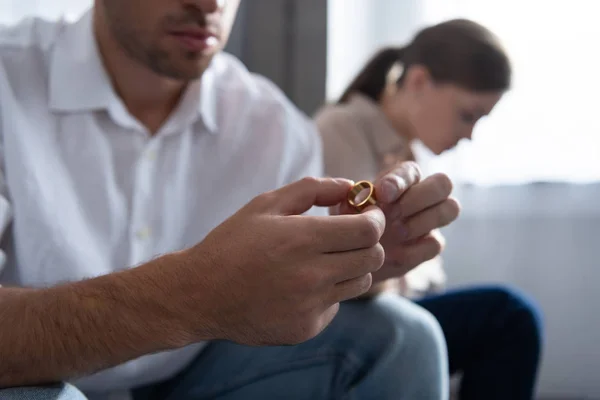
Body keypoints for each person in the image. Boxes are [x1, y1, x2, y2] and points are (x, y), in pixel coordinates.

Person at [0, 1, 461, 399]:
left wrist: (362, 261)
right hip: (33, 374)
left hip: (190, 375)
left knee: (406, 338)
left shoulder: (274, 126)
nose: (209, 3)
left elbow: (296, 298)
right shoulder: (8, 78)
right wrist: (192, 295)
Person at [315, 19, 543, 400]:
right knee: (510, 316)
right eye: (468, 115)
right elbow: (348, 266)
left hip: (394, 305)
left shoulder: (407, 151)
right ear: (419, 82)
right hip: (360, 314)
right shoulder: (340, 128)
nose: (469, 134)